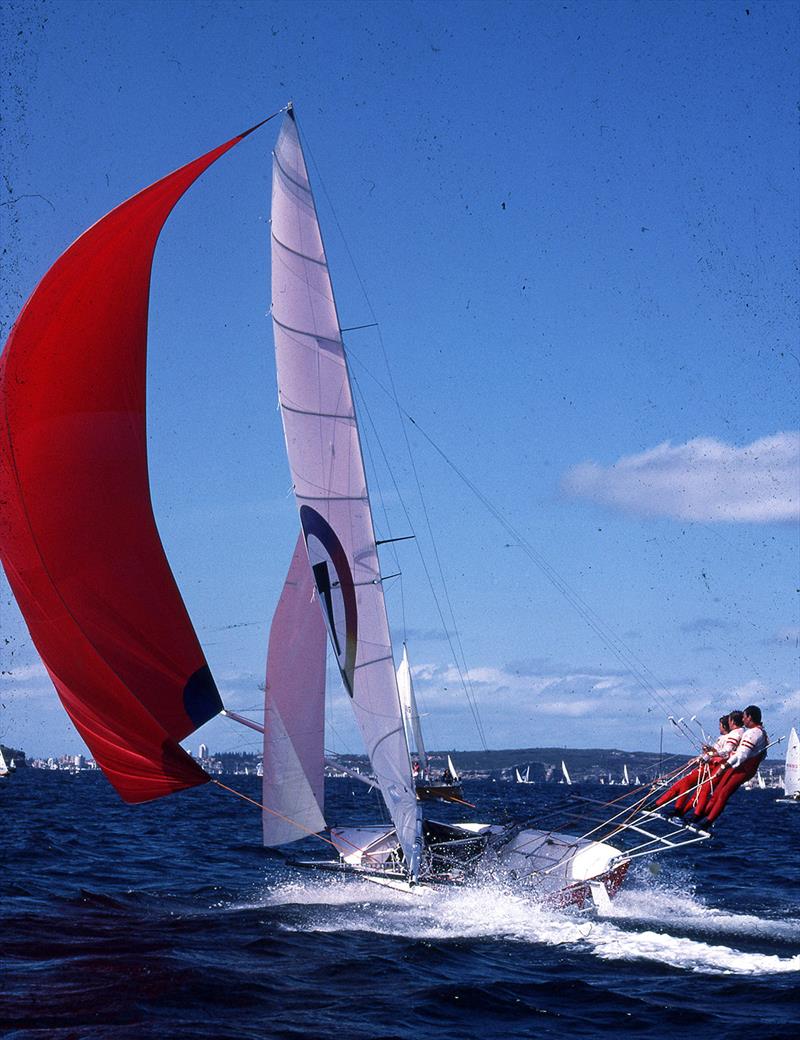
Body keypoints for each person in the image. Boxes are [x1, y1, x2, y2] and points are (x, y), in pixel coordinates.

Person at [687, 705, 768, 827]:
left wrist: (725, 766)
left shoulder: (753, 733)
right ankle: (697, 818)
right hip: (740, 767)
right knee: (719, 792)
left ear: (750, 717)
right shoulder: (760, 732)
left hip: (742, 768)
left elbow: (742, 754)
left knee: (723, 793)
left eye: (744, 717)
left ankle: (706, 822)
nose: (743, 719)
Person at [655, 715, 730, 813]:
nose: (718, 727)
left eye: (719, 725)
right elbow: (715, 752)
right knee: (682, 785)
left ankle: (676, 809)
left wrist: (708, 752)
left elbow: (722, 753)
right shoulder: (722, 738)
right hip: (707, 765)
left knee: (685, 784)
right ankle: (662, 805)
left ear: (724, 726)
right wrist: (701, 755)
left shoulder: (728, 738)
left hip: (710, 767)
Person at [676, 710, 744, 818]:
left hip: (719, 766)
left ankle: (690, 815)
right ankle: (686, 814)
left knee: (703, 790)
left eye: (720, 725)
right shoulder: (736, 734)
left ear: (730, 722)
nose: (718, 728)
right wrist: (705, 754)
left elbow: (725, 751)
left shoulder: (733, 735)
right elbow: (718, 751)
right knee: (702, 791)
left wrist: (709, 754)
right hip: (719, 765)